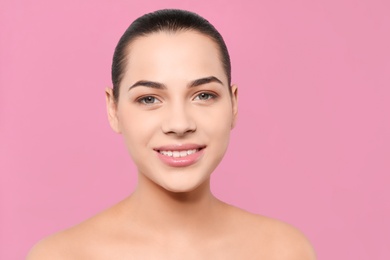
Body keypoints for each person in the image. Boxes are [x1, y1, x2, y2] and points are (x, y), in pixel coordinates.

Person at [28, 9, 316, 259]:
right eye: (149, 99)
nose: (179, 124)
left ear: (234, 103)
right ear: (113, 109)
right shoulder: (61, 256)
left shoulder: (284, 251)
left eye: (203, 95)